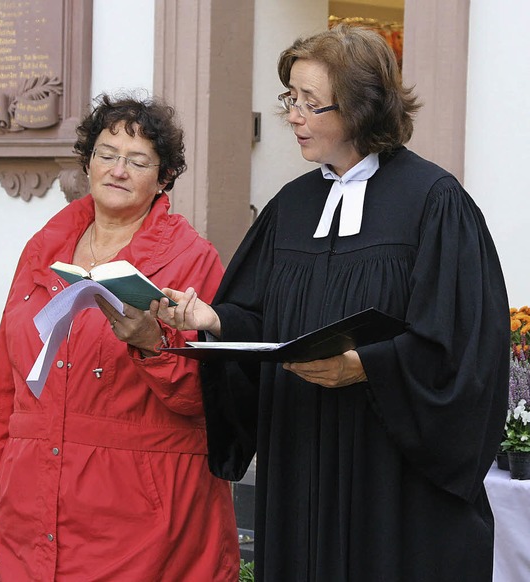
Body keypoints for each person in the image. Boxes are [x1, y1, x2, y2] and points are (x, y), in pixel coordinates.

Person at [157, 25, 510, 582]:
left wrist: (367, 366)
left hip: (392, 476)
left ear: (363, 108)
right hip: (302, 456)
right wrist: (216, 319)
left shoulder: (433, 203)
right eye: (290, 99)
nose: (293, 116)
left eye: (310, 103)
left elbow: (463, 346)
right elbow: (264, 321)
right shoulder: (291, 207)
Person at [0, 92, 240, 581]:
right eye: (106, 155)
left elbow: (213, 399)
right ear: (87, 162)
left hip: (140, 514)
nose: (117, 170)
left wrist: (153, 345)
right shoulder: (44, 247)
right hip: (33, 500)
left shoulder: (192, 259)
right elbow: (5, 376)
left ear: (164, 177)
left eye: (138, 161)